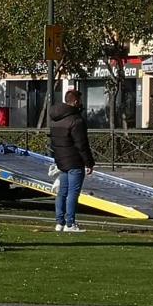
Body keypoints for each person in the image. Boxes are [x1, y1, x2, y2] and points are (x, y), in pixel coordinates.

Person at [50, 90, 95, 233]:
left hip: (62, 161)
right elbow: (81, 144)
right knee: (73, 193)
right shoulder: (76, 120)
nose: (81, 104)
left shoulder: (56, 119)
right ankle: (70, 224)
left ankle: (59, 223)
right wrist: (89, 162)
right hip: (75, 161)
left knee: (62, 192)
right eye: (80, 101)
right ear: (75, 102)